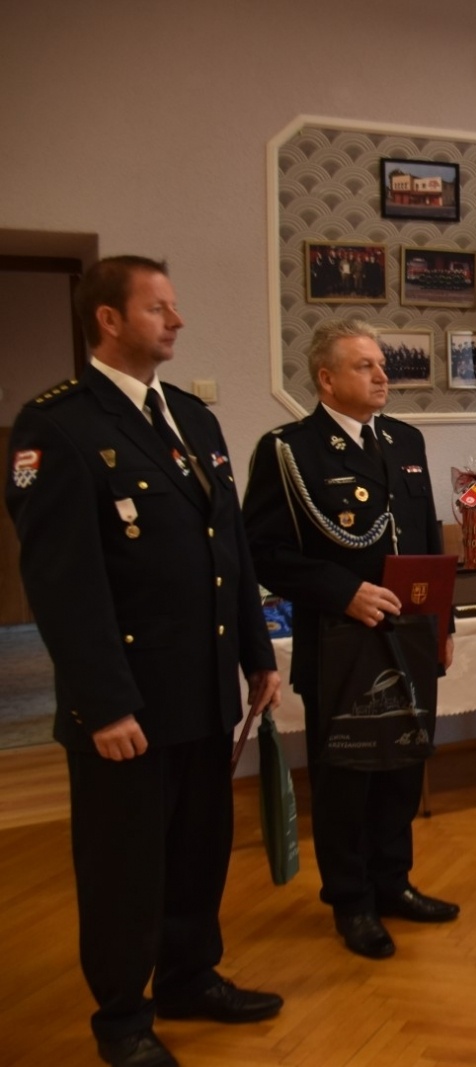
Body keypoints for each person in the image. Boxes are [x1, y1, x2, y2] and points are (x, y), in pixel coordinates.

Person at [5, 256, 283, 1067]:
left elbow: (229, 548)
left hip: (204, 686)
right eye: (159, 307)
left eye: (175, 306)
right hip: (128, 701)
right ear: (109, 319)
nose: (177, 320)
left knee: (199, 847)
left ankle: (190, 976)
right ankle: (123, 1016)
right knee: (124, 864)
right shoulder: (57, 425)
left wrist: (257, 653)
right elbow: (63, 584)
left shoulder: (191, 417)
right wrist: (103, 702)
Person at [242, 319, 456, 961]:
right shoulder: (290, 449)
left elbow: (427, 536)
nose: (382, 375)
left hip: (410, 636)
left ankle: (393, 883)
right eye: (365, 365)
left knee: (402, 767)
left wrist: (443, 624)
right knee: (347, 779)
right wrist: (343, 591)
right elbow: (263, 551)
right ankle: (351, 901)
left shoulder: (405, 439)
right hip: (339, 638)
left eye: (382, 363)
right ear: (327, 379)